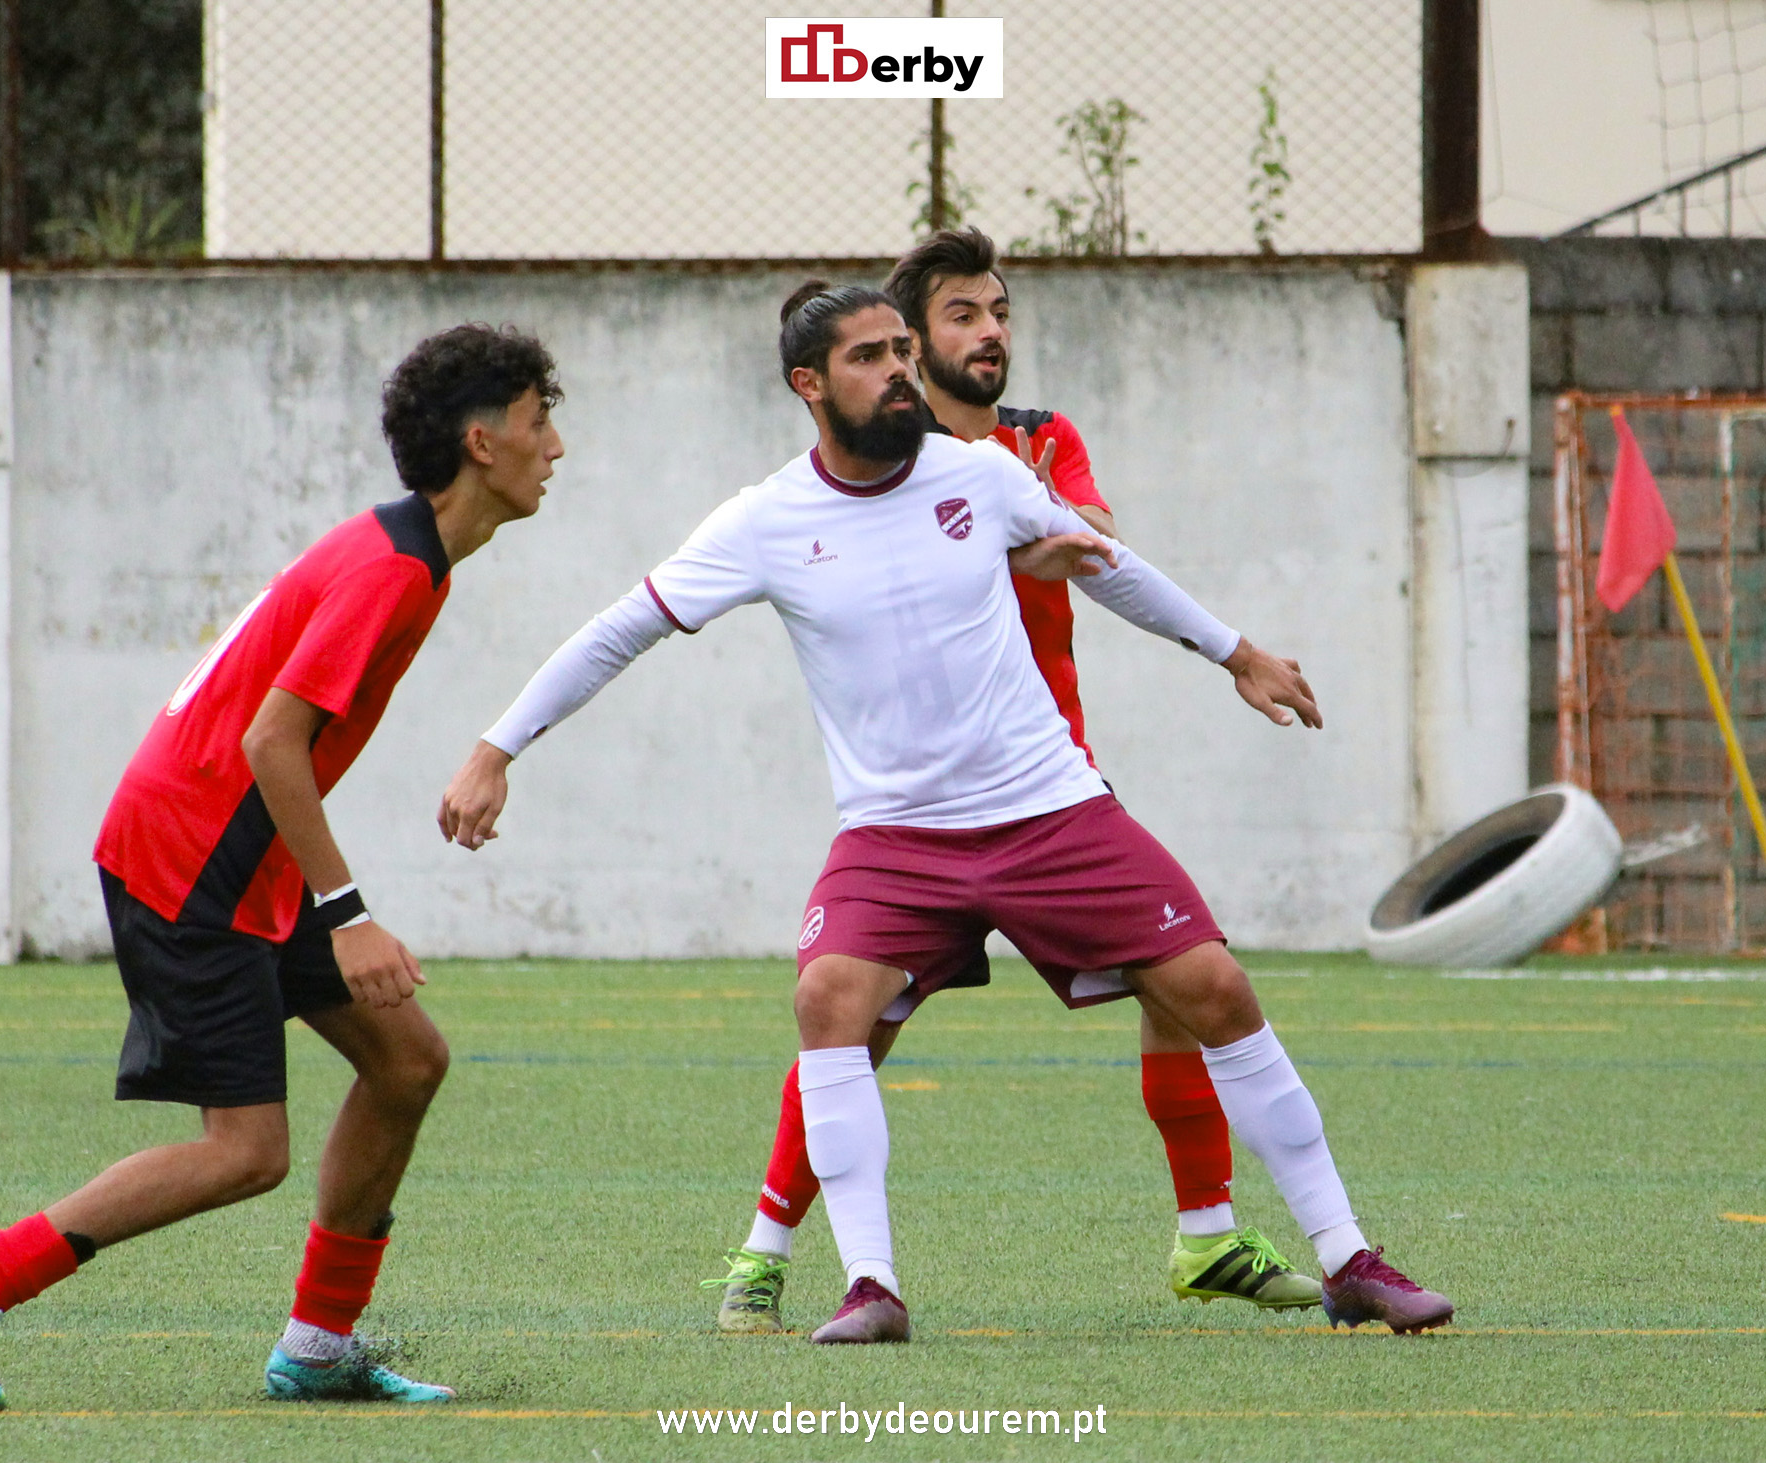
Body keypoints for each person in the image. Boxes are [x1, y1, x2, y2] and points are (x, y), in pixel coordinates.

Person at [440, 284, 1453, 1344]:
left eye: (898, 350)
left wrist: (1236, 653)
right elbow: (616, 631)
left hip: (1046, 809)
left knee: (1215, 986)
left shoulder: (980, 473)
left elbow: (1112, 570)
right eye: (868, 357)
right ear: (808, 383)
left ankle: (1346, 1257)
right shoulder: (764, 519)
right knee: (829, 998)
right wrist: (494, 749)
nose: (896, 372)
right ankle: (869, 1285)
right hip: (893, 837)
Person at [0, 324, 566, 1408]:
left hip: (230, 850)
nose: (556, 446)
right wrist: (349, 911)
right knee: (245, 1149)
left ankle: (317, 1343)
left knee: (404, 1058)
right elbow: (269, 741)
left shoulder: (408, 556)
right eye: (540, 420)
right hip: (188, 854)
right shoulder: (391, 568)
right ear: (481, 441)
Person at [705, 228, 1319, 1336]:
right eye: (959, 317)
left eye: (998, 313)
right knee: (852, 1023)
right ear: (903, 344)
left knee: (1186, 985)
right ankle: (765, 1250)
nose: (987, 333)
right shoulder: (885, 457)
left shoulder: (1031, 442)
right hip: (925, 803)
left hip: (1050, 781)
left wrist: (1048, 532)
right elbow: (890, 559)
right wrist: (1004, 537)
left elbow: (1092, 542)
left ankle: (1207, 1231)